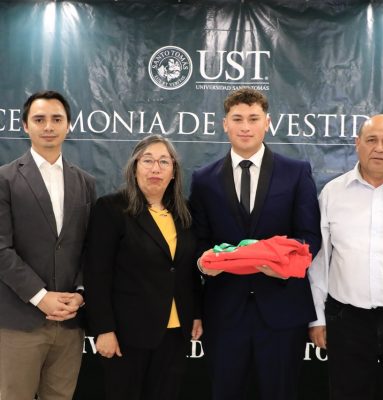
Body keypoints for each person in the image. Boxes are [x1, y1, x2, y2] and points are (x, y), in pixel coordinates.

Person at [189, 87, 321, 400]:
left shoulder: (296, 172)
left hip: (282, 310)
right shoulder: (204, 179)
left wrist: (285, 266)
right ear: (225, 124)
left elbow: (310, 237)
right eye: (237, 119)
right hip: (224, 312)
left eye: (253, 118)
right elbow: (199, 240)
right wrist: (203, 264)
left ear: (267, 123)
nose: (245, 126)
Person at [84, 135, 203, 400]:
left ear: (173, 172)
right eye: (147, 160)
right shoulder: (112, 208)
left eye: (164, 162)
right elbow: (97, 274)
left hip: (175, 333)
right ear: (134, 167)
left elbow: (187, 271)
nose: (155, 168)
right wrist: (103, 329)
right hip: (127, 334)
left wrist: (196, 313)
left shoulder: (184, 213)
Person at [0, 90, 96, 400]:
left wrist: (80, 294)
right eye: (39, 119)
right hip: (19, 321)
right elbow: (1, 250)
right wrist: (40, 297)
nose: (49, 126)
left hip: (70, 322)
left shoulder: (86, 182)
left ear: (69, 125)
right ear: (25, 125)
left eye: (57, 119)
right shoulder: (5, 179)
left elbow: (90, 248)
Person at [308, 114, 383, 400]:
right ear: (357, 143)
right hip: (347, 321)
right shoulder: (333, 193)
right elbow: (319, 262)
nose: (379, 148)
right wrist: (317, 318)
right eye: (371, 140)